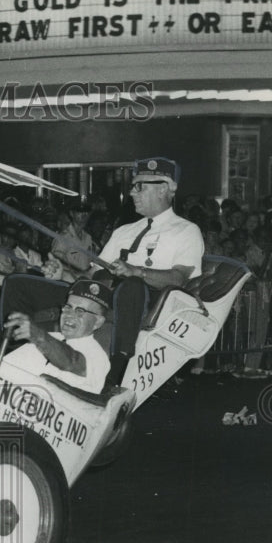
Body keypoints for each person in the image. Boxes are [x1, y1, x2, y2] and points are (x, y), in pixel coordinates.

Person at [96, 157, 204, 387]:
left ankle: (117, 374)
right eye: (133, 186)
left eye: (139, 187)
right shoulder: (123, 231)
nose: (132, 193)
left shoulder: (186, 231)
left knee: (132, 286)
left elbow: (178, 278)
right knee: (22, 284)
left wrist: (136, 271)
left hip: (153, 300)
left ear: (163, 189)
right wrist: (64, 273)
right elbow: (95, 275)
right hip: (111, 295)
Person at [3, 277, 112, 395]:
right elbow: (5, 368)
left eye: (80, 311)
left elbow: (72, 362)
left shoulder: (98, 357)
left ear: (97, 322)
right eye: (68, 307)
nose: (69, 315)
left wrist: (40, 337)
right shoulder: (49, 337)